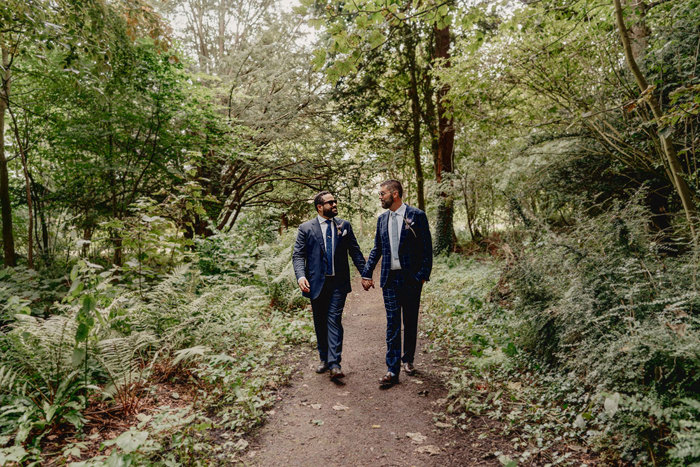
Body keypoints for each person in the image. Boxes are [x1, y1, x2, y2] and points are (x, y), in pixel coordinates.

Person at [361, 180, 432, 389]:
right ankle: (392, 370)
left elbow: (426, 248)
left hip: (411, 279)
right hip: (390, 280)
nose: (380, 197)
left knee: (409, 321)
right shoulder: (382, 219)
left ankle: (408, 359)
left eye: (382, 193)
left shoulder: (416, 216)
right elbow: (377, 249)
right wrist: (367, 273)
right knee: (392, 323)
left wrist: (422, 275)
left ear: (395, 193)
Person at [292, 191, 366, 381]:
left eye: (335, 201)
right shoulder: (306, 228)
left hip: (338, 283)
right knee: (320, 322)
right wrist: (300, 276)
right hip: (315, 283)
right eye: (330, 202)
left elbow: (355, 252)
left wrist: (365, 274)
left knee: (333, 319)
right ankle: (324, 358)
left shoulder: (344, 226)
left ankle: (335, 364)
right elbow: (298, 255)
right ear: (319, 207)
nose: (334, 204)